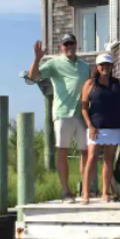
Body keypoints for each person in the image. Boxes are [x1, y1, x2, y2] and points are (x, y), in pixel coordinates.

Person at [29, 34, 91, 202]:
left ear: (76, 44)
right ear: (61, 47)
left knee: (86, 152)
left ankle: (85, 188)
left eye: (72, 42)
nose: (69, 46)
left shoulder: (85, 66)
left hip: (82, 114)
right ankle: (65, 191)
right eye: (66, 44)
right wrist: (37, 59)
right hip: (62, 113)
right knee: (62, 151)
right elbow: (33, 76)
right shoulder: (54, 63)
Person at [81, 53, 120, 204]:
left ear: (112, 67)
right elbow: (83, 108)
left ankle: (105, 193)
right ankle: (85, 194)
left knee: (109, 160)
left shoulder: (118, 83)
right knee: (91, 159)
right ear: (97, 67)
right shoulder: (90, 84)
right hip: (96, 127)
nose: (105, 67)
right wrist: (90, 125)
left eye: (108, 65)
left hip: (114, 126)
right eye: (102, 65)